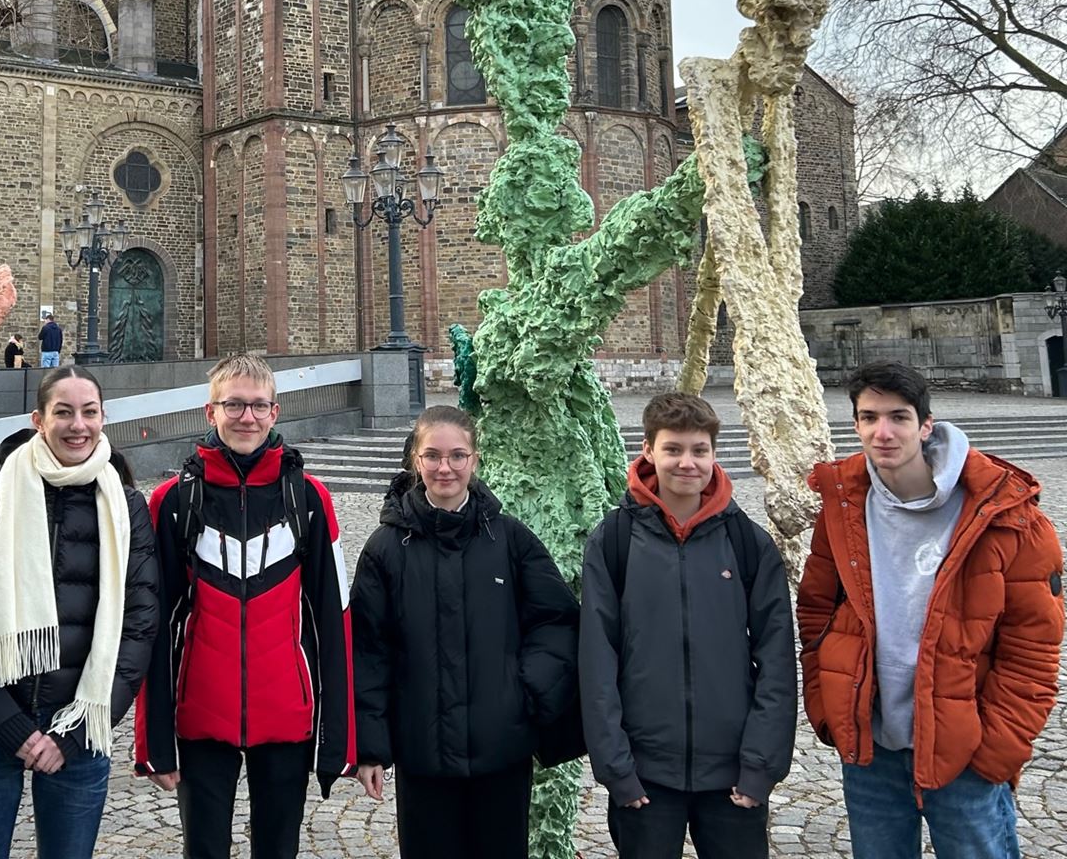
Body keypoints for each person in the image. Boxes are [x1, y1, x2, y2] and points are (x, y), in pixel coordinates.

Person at [799, 360, 1065, 859]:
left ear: (925, 425)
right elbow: (816, 612)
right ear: (855, 425)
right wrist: (829, 707)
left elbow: (1033, 645)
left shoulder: (1005, 513)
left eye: (898, 417)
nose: (883, 432)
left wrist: (996, 749)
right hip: (871, 749)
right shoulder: (841, 506)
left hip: (965, 752)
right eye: (869, 417)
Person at [0, 366, 161, 859]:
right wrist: (2, 717)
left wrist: (77, 730)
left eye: (89, 412)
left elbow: (139, 622)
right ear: (39, 419)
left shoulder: (125, 503)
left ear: (103, 417)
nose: (78, 425)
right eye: (64, 412)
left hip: (80, 721)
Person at [135, 355, 355, 859]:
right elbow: (153, 626)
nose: (246, 417)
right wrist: (154, 743)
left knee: (278, 850)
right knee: (204, 850)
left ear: (275, 412)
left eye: (258, 406)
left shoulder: (309, 498)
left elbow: (334, 618)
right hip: (200, 715)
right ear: (210, 411)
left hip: (286, 716)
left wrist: (338, 740)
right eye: (233, 404)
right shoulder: (172, 501)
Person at [349, 405, 579, 859]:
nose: (445, 468)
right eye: (433, 456)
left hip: (501, 749)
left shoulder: (510, 539)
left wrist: (522, 689)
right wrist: (370, 748)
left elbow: (556, 621)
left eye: (457, 456)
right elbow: (367, 649)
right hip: (422, 752)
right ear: (416, 460)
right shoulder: (386, 549)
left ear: (474, 460)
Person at [578, 392, 795, 859]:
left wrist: (760, 766)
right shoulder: (614, 540)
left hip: (732, 773)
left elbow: (777, 661)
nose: (687, 462)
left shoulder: (747, 542)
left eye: (699, 450)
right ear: (648, 450)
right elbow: (596, 660)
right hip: (646, 775)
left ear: (714, 453)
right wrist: (616, 768)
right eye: (673, 449)